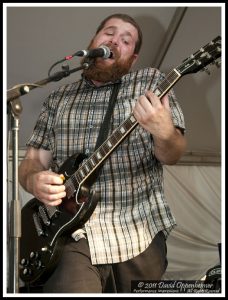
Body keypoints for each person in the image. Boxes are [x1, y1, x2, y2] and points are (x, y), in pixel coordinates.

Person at [18, 13, 187, 293]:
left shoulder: (151, 83)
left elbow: (174, 154)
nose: (114, 41)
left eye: (126, 39)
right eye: (109, 33)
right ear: (94, 41)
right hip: (70, 233)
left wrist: (165, 131)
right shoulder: (57, 99)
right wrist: (34, 180)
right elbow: (32, 162)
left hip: (138, 232)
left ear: (132, 58)